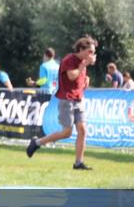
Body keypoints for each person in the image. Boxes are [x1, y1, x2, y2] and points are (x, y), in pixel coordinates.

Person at [27, 35, 97, 170]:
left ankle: (78, 163)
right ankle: (37, 142)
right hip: (67, 100)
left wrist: (85, 80)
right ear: (81, 49)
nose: (92, 55)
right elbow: (71, 76)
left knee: (83, 130)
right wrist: (84, 65)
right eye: (90, 51)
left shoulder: (83, 61)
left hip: (79, 99)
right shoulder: (69, 60)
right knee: (67, 133)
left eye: (93, 52)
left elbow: (78, 78)